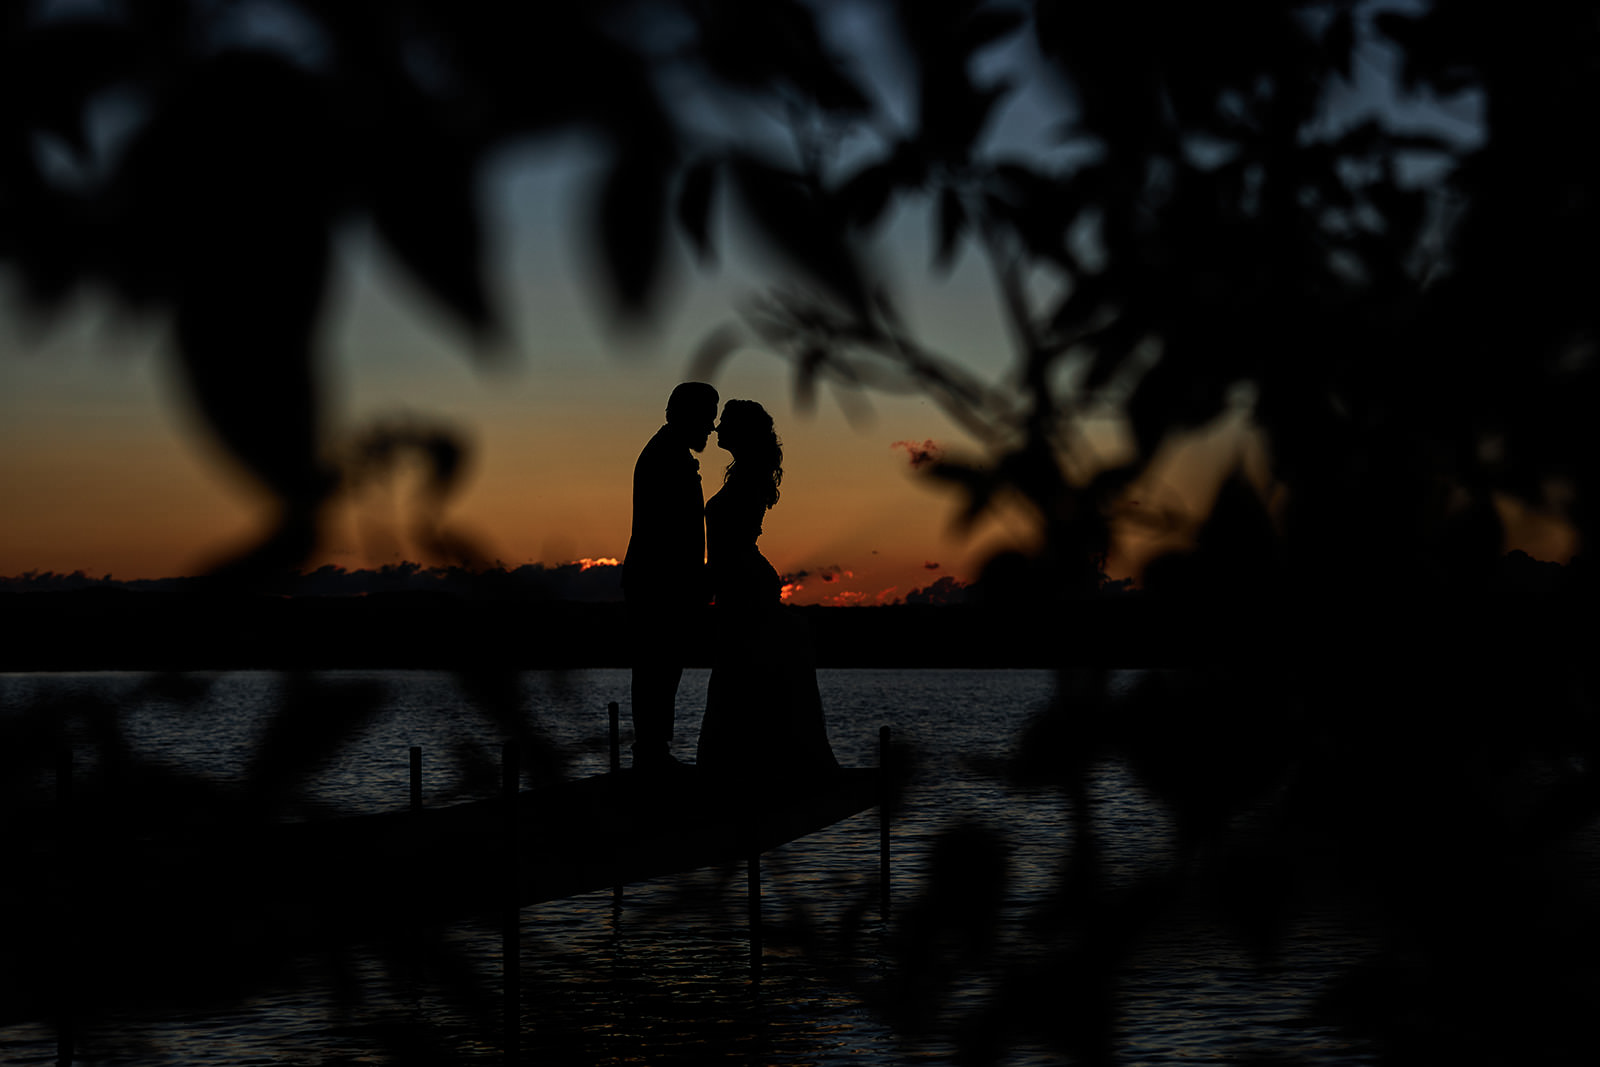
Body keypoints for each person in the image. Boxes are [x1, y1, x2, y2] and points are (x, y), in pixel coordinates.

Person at [696, 399, 838, 782]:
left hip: (744, 581)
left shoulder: (748, 477)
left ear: (741, 431)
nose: (716, 429)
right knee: (740, 671)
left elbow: (732, 542)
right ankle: (747, 764)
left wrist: (709, 580)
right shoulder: (743, 474)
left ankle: (741, 766)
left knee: (740, 671)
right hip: (738, 579)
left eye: (724, 423)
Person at [623, 381, 719, 772]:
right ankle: (651, 752)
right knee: (656, 668)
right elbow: (668, 534)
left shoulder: (668, 452)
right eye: (707, 420)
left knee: (661, 668)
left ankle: (653, 750)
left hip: (663, 583)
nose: (710, 429)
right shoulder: (665, 458)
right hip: (659, 584)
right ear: (687, 416)